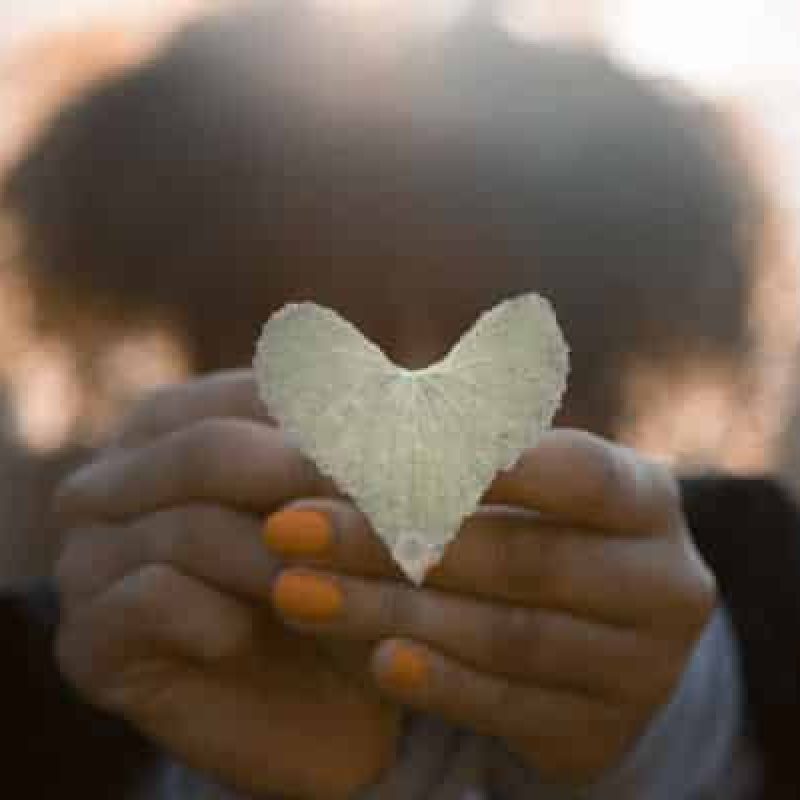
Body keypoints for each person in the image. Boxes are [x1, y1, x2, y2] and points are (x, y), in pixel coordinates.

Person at [2, 2, 799, 797]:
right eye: (332, 341)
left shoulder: (775, 599)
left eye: (482, 331)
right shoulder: (49, 685)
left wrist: (670, 730)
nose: (410, 422)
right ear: (199, 351)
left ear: (605, 366)